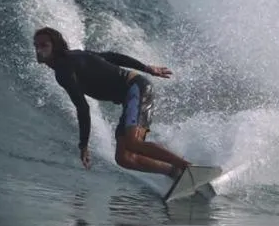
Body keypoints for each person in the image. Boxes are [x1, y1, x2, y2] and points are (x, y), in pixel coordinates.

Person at [33, 26, 189, 180]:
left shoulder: (63, 70)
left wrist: (83, 145)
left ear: (55, 46)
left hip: (136, 88)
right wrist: (146, 68)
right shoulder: (74, 57)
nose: (39, 50)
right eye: (37, 46)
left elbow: (82, 108)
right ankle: (173, 171)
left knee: (133, 142)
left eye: (44, 45)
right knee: (123, 158)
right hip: (130, 97)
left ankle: (187, 166)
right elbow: (110, 57)